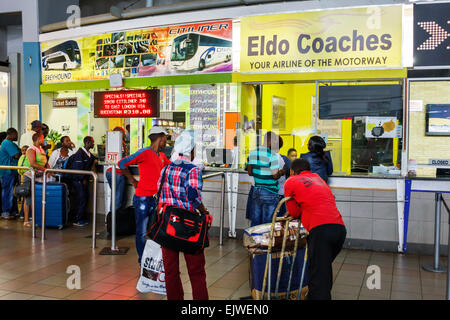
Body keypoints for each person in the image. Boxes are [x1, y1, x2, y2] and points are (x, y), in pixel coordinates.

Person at [157, 129, 209, 300]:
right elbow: (193, 196)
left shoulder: (166, 169)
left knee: (171, 271)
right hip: (188, 227)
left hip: (168, 225)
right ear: (190, 150)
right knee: (196, 272)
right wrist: (203, 211)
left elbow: (158, 193)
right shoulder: (192, 170)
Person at [284, 158, 346, 300]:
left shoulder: (291, 181)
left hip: (320, 230)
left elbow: (293, 212)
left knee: (318, 274)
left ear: (292, 171)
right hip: (339, 229)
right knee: (322, 269)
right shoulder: (318, 179)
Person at [118, 126, 170, 264]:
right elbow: (122, 163)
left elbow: (171, 167)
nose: (166, 142)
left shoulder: (162, 156)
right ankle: (142, 259)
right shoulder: (144, 153)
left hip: (156, 199)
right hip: (142, 198)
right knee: (141, 232)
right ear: (160, 138)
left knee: (154, 231)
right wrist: (132, 180)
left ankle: (152, 259)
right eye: (165, 139)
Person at [246, 131, 285, 227]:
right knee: (267, 223)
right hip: (270, 193)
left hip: (256, 191)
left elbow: (250, 172)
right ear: (270, 142)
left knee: (255, 220)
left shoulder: (253, 153)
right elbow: (275, 176)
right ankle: (265, 241)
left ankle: (254, 240)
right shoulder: (272, 156)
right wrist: (282, 171)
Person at [66, 136, 97, 227]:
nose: (93, 144)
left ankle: (81, 217)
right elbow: (78, 169)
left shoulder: (87, 153)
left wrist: (95, 160)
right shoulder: (79, 154)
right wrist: (83, 179)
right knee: (81, 199)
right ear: (87, 143)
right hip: (78, 181)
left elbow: (93, 158)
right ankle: (78, 219)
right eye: (92, 142)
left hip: (83, 180)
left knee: (84, 198)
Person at [22, 133, 50, 227]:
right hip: (29, 176)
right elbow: (32, 163)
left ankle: (34, 218)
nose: (44, 139)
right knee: (28, 198)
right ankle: (26, 220)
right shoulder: (31, 149)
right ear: (38, 139)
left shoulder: (41, 149)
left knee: (37, 197)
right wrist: (45, 170)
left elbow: (45, 162)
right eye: (42, 138)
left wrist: (50, 170)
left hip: (39, 176)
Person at [105, 127, 129, 214]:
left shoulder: (109, 142)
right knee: (118, 199)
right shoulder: (121, 143)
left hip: (109, 171)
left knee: (116, 197)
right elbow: (122, 159)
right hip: (118, 172)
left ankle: (113, 220)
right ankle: (114, 222)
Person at [0, 128, 21, 220]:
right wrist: (21, 152)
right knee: (7, 192)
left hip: (12, 171)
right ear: (11, 134)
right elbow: (16, 155)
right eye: (16, 134)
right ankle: (6, 212)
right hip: (7, 172)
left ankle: (13, 211)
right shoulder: (7, 143)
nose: (17, 136)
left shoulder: (11, 144)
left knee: (12, 193)